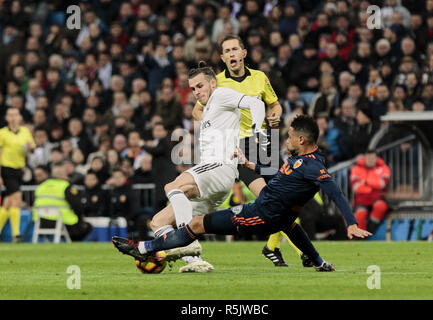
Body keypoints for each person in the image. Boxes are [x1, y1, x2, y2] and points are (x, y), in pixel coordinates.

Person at [113, 115, 371, 271]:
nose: (287, 140)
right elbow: (285, 179)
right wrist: (253, 167)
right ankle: (318, 262)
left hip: (260, 213)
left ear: (302, 140)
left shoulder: (313, 166)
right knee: (290, 225)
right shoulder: (305, 159)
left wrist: (351, 223)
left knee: (196, 224)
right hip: (278, 214)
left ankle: (145, 247)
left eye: (291, 137)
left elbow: (335, 192)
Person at [194, 35, 304, 268]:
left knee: (286, 201)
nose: (232, 54)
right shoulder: (217, 83)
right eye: (227, 51)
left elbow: (274, 103)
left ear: (243, 53)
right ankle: (305, 254)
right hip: (239, 148)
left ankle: (272, 247)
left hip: (265, 142)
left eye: (235, 49)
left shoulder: (260, 77)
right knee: (271, 200)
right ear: (222, 58)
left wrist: (275, 114)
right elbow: (197, 111)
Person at [146, 62, 266, 273]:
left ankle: (187, 243)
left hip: (219, 168)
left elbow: (256, 103)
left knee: (172, 187)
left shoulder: (220, 95)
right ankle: (195, 262)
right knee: (157, 222)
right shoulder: (210, 108)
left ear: (212, 82)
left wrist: (258, 133)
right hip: (212, 179)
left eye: (200, 86)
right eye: (192, 88)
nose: (196, 92)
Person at [0, 107, 35, 242]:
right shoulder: (2, 133)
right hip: (6, 168)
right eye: (11, 115)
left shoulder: (25, 132)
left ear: (20, 117)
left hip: (19, 169)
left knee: (8, 203)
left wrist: (31, 148)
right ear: (7, 118)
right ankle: (16, 234)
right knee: (17, 198)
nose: (14, 117)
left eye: (16, 114)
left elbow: (31, 150)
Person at [32, 165, 92, 241]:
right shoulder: (65, 186)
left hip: (40, 221)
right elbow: (77, 206)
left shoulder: (41, 186)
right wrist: (80, 217)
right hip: (62, 221)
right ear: (63, 175)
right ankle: (74, 245)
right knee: (86, 226)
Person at [350, 149, 391, 234]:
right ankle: (359, 238)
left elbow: (383, 184)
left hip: (377, 198)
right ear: (364, 158)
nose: (370, 160)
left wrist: (366, 182)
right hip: (361, 200)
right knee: (360, 214)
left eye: (372, 158)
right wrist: (373, 185)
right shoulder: (356, 168)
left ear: (376, 158)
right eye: (368, 158)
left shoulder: (384, 168)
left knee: (381, 206)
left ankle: (370, 229)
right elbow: (355, 187)